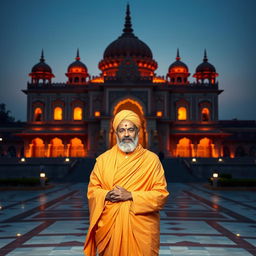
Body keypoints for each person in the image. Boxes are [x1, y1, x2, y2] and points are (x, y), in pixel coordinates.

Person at [84, 110, 169, 256]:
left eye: (130, 129)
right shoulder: (103, 160)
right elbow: (93, 191)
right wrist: (106, 194)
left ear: (138, 132)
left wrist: (131, 195)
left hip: (142, 229)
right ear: (116, 133)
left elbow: (161, 195)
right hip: (111, 227)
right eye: (121, 130)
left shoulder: (151, 160)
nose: (126, 134)